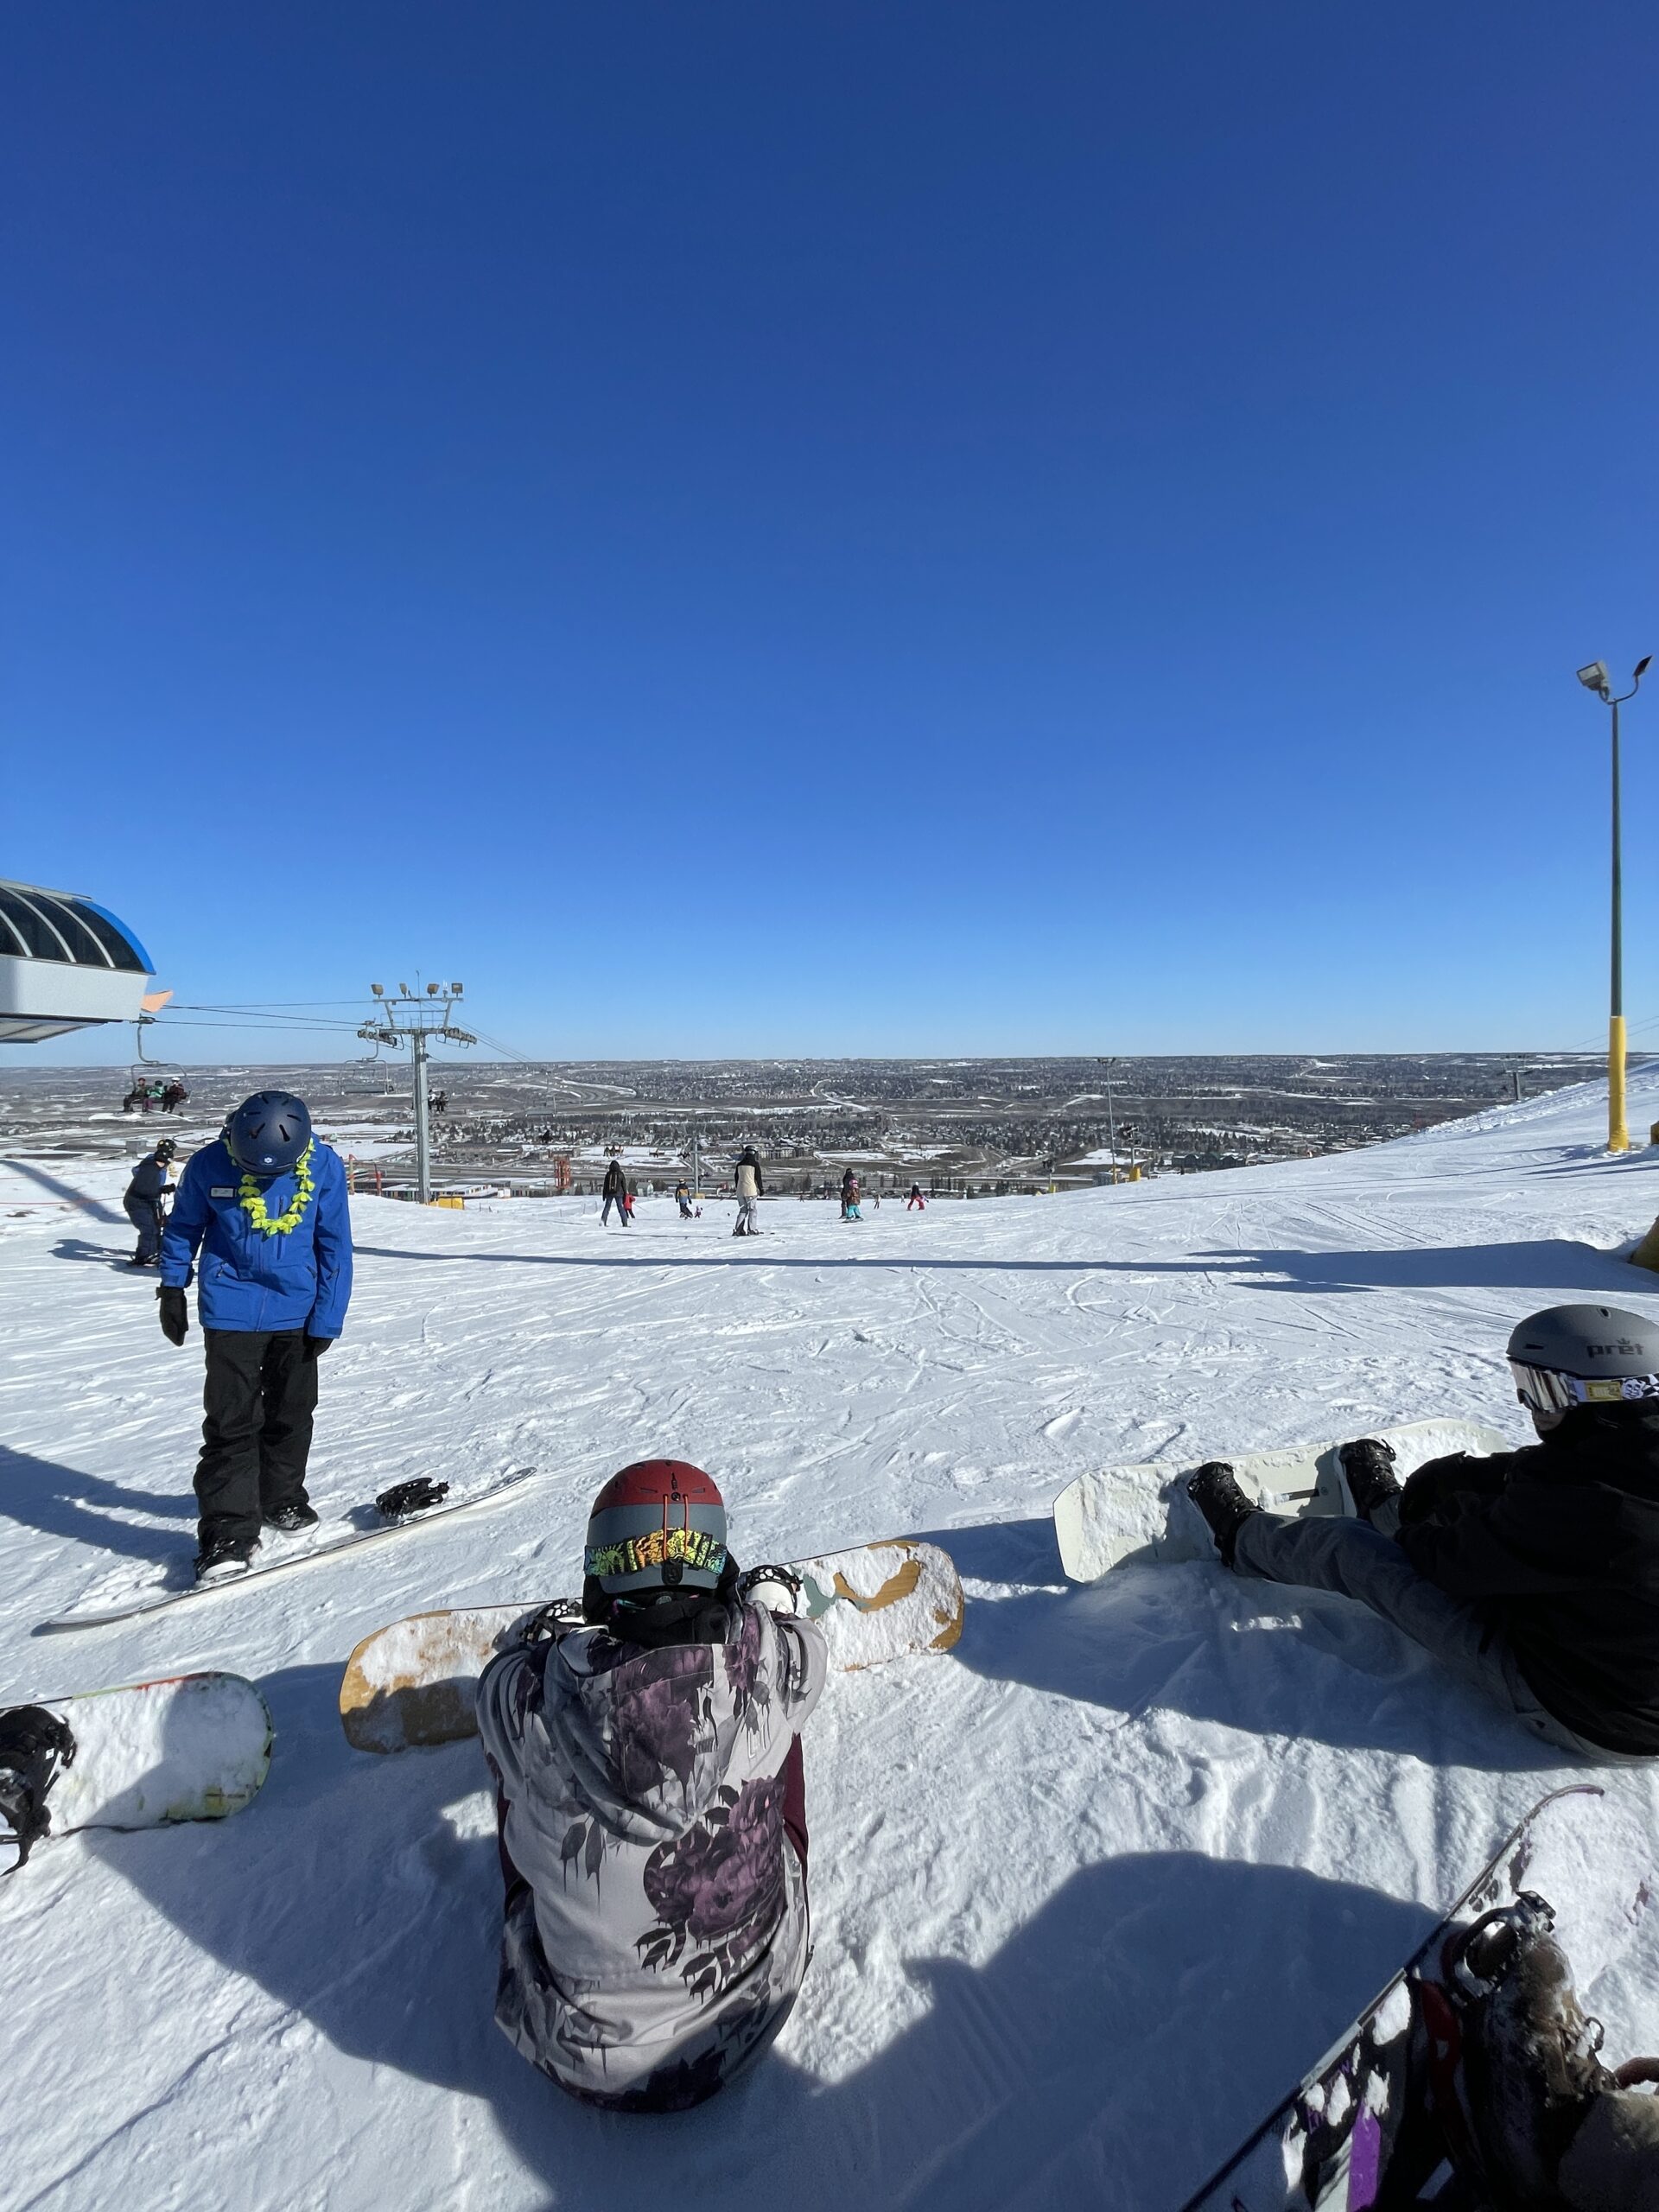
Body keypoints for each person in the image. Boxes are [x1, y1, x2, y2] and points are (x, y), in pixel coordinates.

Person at [475, 1459, 827, 2112]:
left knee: (517, 1771)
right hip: (751, 2021)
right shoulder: (770, 1660)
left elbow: (493, 1685)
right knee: (783, 1718)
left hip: (580, 2054)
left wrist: (543, 1651)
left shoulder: (530, 1700)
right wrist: (760, 1615)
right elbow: (812, 1648)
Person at [1186, 1305, 1659, 1759]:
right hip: (1617, 1667)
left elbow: (1449, 1563)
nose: (1527, 1404)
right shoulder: (1622, 1458)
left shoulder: (1587, 1507)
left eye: (1543, 1390)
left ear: (1603, 1396)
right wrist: (1454, 1481)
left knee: (1355, 1550)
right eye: (1524, 1384)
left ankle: (1238, 1536)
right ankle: (1385, 1507)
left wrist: (1412, 1527)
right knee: (1472, 1502)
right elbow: (1550, 1477)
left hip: (1589, 1713)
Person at [158, 1090, 353, 1583]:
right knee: (230, 1422)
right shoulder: (207, 1165)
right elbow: (182, 1229)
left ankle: (281, 1499)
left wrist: (327, 1318)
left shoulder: (324, 1166)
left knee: (291, 1413)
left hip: (297, 1309)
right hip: (230, 1309)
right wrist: (172, 1287)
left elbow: (335, 1246)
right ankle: (228, 1531)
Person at [123, 1138, 176, 1267]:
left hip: (148, 1201)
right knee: (149, 1229)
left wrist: (161, 1189)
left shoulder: (155, 1167)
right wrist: (159, 1190)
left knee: (157, 1225)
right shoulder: (150, 1168)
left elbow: (149, 1187)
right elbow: (143, 1189)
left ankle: (155, 1251)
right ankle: (145, 1255)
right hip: (137, 1203)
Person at [734, 1145, 763, 1236]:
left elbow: (736, 1178)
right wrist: (761, 1189)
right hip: (750, 1190)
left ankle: (738, 1230)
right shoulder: (755, 1164)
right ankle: (752, 1229)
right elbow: (758, 1178)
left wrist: (737, 1187)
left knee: (743, 1210)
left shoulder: (739, 1165)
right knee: (752, 1210)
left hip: (740, 1191)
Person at [600, 1155, 629, 1227]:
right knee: (620, 1208)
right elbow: (624, 1186)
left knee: (607, 1207)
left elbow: (605, 1185)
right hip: (619, 1193)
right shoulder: (620, 1174)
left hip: (609, 1193)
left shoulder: (608, 1174)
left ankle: (603, 1221)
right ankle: (625, 1223)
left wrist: (604, 1194)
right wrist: (625, 1195)